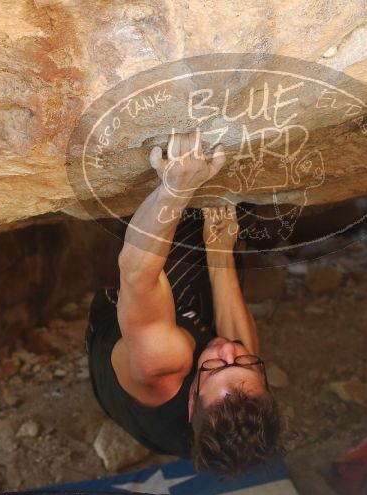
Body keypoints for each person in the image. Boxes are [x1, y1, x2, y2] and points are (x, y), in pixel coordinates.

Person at [85, 130, 280, 475]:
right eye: (248, 367)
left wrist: (176, 187)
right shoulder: (230, 402)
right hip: (178, 405)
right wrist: (219, 248)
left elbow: (135, 272)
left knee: (181, 228)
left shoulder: (160, 364)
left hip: (123, 328)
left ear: (192, 402)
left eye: (217, 369)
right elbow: (234, 352)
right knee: (231, 218)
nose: (228, 352)